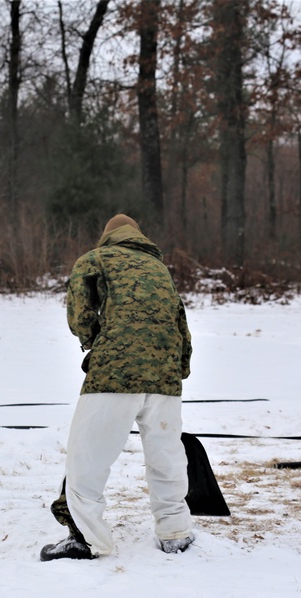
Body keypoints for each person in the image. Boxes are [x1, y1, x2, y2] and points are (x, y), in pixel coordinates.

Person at [41, 214, 194, 561]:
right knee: (166, 456)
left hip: (115, 374)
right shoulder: (159, 268)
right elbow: (180, 321)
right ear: (138, 235)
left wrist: (96, 341)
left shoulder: (96, 259)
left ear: (107, 237)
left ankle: (86, 539)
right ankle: (175, 532)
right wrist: (177, 370)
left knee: (87, 457)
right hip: (164, 377)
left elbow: (79, 311)